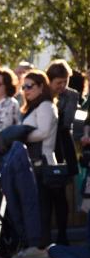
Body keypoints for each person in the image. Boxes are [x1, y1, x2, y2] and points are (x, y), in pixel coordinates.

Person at [19, 70, 58, 256]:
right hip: (34, 162)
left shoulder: (45, 106)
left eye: (30, 86)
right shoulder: (33, 107)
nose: (26, 90)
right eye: (23, 86)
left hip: (43, 162)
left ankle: (42, 245)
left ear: (42, 86)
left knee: (42, 204)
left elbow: (43, 132)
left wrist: (21, 135)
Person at [44, 60, 80, 246]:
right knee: (45, 193)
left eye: (65, 82)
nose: (62, 86)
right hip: (46, 144)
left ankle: (62, 234)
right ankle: (45, 234)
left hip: (62, 144)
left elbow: (65, 122)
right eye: (58, 82)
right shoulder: (42, 95)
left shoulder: (71, 95)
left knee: (60, 192)